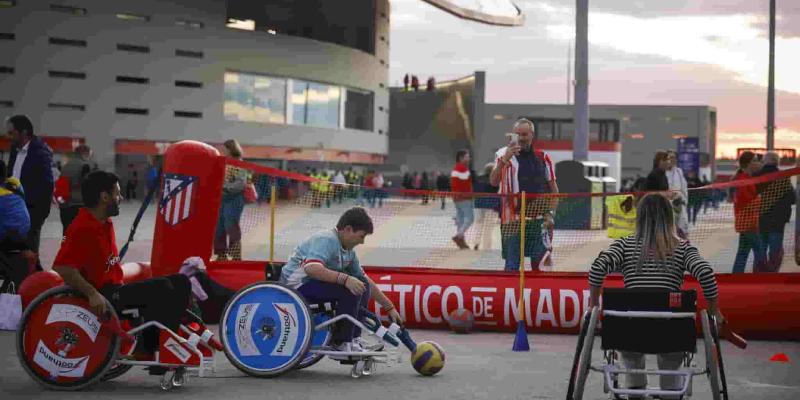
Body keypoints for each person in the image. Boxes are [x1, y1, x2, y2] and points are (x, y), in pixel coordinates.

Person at [52, 170, 192, 372]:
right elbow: (62, 267)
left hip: (116, 288)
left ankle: (156, 343)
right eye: (118, 194)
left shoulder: (104, 223)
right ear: (104, 196)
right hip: (105, 296)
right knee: (162, 287)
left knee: (181, 281)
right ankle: (153, 348)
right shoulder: (82, 227)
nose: (121, 198)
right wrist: (92, 294)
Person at [588, 193, 723, 399]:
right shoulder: (681, 248)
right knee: (671, 354)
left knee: (631, 352)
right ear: (670, 218)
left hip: (628, 331)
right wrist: (715, 311)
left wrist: (593, 305)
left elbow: (597, 268)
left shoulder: (624, 245)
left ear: (639, 217)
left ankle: (635, 389)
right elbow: (705, 273)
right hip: (672, 332)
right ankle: (670, 391)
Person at [279, 207, 402, 355]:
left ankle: (353, 338)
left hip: (312, 285)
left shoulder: (349, 252)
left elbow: (366, 281)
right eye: (361, 236)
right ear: (348, 229)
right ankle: (341, 341)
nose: (362, 242)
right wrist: (345, 279)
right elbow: (311, 268)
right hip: (294, 287)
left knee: (361, 284)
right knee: (349, 288)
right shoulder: (327, 239)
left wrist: (389, 306)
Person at [490, 118, 559, 271]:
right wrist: (504, 160)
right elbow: (493, 182)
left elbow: (554, 191)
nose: (521, 138)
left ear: (532, 135)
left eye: (524, 134)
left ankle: (537, 294)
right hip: (512, 222)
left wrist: (551, 214)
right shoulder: (503, 155)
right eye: (517, 134)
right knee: (512, 266)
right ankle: (511, 294)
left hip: (539, 222)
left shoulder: (543, 157)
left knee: (541, 267)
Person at [6, 115, 54, 270]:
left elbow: (47, 186)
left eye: (11, 132)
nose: (9, 136)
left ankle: (36, 284)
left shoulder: (41, 153)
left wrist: (39, 214)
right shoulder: (14, 150)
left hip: (31, 211)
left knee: (30, 251)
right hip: (14, 208)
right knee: (18, 251)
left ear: (24, 132)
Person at [755, 151, 795, 272]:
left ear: (765, 161)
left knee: (760, 247)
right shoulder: (783, 177)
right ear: (777, 162)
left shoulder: (757, 176)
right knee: (775, 248)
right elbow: (792, 199)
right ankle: (772, 274)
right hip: (778, 220)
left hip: (760, 218)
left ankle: (759, 272)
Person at [731, 151, 766, 273]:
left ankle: (736, 276)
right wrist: (760, 199)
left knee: (743, 252)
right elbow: (746, 200)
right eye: (755, 161)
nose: (758, 163)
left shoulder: (748, 178)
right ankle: (761, 276)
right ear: (748, 164)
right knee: (760, 252)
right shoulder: (743, 180)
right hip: (747, 222)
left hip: (748, 222)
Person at [214, 139, 248, 261]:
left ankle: (235, 255)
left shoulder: (239, 164)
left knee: (231, 225)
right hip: (222, 199)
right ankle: (221, 254)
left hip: (234, 199)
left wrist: (223, 187)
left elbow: (241, 184)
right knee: (219, 227)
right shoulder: (224, 162)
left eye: (225, 149)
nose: (222, 151)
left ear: (231, 149)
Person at [58, 144, 96, 235]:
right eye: (89, 155)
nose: (89, 157)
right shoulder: (84, 166)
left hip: (64, 205)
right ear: (85, 153)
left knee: (66, 233)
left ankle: (65, 246)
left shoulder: (66, 165)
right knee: (79, 235)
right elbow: (87, 187)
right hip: (77, 206)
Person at [472, 163, 500, 251]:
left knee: (478, 225)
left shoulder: (478, 178)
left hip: (478, 205)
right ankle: (487, 246)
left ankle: (476, 243)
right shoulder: (494, 179)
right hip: (490, 205)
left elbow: (474, 190)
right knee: (488, 227)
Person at [450, 150, 474, 249]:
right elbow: (466, 186)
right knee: (470, 218)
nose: (469, 159)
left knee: (460, 219)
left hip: (457, 198)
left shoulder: (456, 168)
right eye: (467, 157)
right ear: (461, 158)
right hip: (464, 198)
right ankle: (459, 236)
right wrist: (470, 195)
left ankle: (461, 241)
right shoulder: (462, 169)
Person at [665, 151, 689, 237]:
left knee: (682, 227)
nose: (672, 160)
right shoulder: (662, 172)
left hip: (679, 204)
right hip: (666, 205)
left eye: (674, 158)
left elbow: (683, 187)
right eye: (670, 157)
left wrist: (684, 200)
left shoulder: (679, 171)